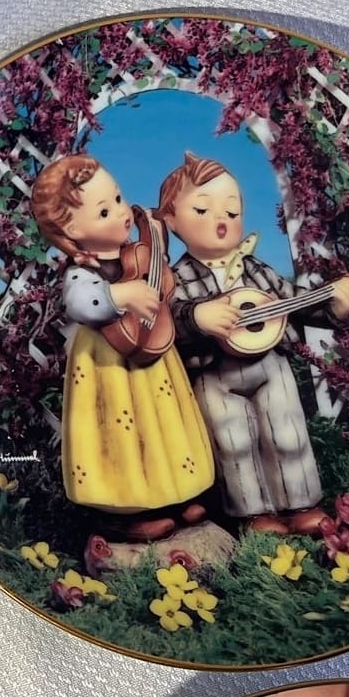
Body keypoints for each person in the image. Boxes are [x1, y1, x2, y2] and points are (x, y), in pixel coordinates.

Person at [157, 152, 349, 535]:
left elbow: (295, 303)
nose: (221, 220)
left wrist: (335, 303)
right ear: (171, 220)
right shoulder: (176, 278)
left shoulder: (257, 271)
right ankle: (252, 514)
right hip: (213, 374)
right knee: (233, 441)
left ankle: (300, 503)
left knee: (286, 432)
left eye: (232, 212)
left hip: (270, 366)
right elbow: (164, 318)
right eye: (202, 210)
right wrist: (197, 317)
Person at [31, 154, 213, 541]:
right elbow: (81, 303)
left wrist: (157, 268)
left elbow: (160, 285)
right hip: (107, 362)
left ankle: (176, 495)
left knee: (164, 422)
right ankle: (126, 512)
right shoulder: (82, 270)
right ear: (71, 229)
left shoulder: (134, 251)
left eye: (117, 199)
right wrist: (119, 295)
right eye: (103, 211)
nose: (120, 212)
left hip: (153, 355)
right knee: (120, 434)